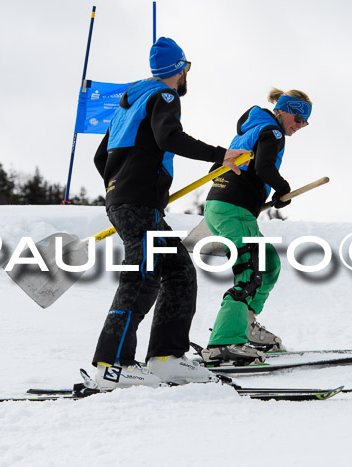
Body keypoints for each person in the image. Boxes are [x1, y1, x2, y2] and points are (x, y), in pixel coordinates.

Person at [91, 37, 249, 389]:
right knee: (142, 277)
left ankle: (167, 359)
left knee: (178, 272)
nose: (186, 75)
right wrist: (221, 154)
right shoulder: (164, 96)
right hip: (140, 204)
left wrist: (122, 186)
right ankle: (111, 364)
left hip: (128, 202)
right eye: (186, 68)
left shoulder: (127, 106)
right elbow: (169, 138)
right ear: (179, 70)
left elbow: (101, 158)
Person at [200, 88, 312, 364]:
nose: (298, 126)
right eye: (297, 118)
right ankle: (224, 343)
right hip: (233, 208)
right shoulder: (271, 131)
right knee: (251, 270)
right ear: (282, 110)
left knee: (269, 262)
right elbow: (263, 168)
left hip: (224, 206)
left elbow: (217, 168)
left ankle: (246, 325)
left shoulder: (251, 130)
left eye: (304, 123)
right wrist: (282, 189)